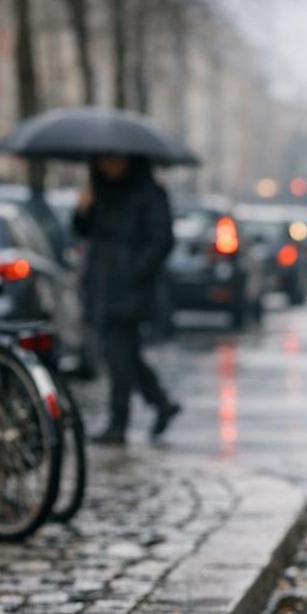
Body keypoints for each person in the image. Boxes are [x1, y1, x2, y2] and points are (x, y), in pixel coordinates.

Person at [73, 155, 181, 446]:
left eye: (115, 159)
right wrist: (83, 208)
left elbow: (162, 240)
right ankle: (161, 403)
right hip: (101, 285)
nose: (108, 165)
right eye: (104, 160)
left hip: (130, 288)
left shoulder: (149, 193)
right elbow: (84, 231)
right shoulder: (101, 192)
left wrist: (134, 272)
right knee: (125, 355)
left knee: (117, 355)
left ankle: (118, 423)